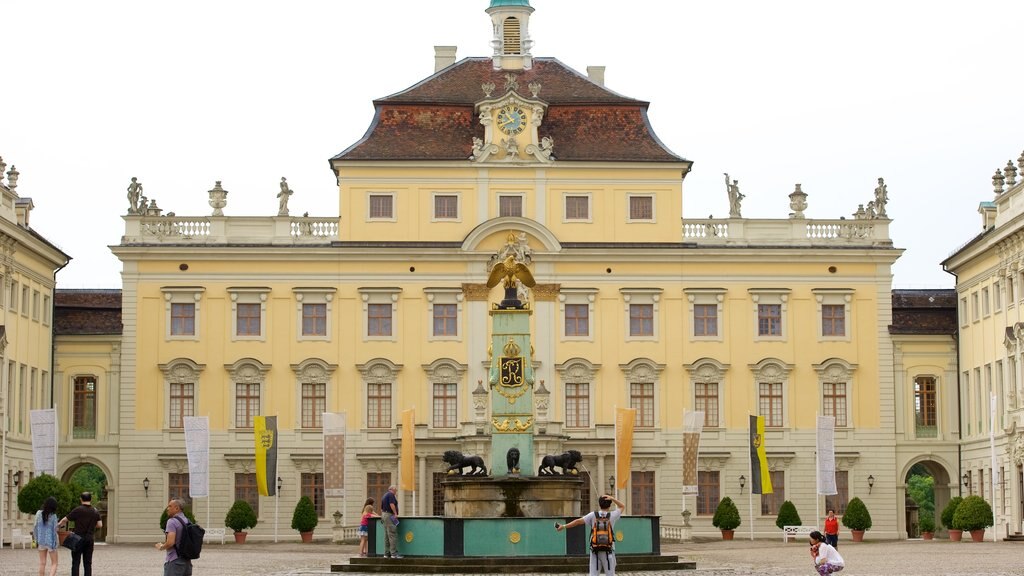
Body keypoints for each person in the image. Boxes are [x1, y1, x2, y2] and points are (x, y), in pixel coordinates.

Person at [555, 494, 624, 576]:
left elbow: (577, 521)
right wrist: (613, 498)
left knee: (593, 574)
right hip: (608, 550)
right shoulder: (612, 516)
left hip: (595, 550)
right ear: (610, 505)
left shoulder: (592, 515)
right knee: (610, 574)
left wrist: (563, 526)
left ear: (599, 504)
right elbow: (622, 506)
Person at [58, 492, 102, 576]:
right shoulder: (95, 511)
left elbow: (65, 519)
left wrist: (58, 525)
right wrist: (92, 526)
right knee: (88, 563)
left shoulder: (77, 510)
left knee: (76, 562)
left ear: (81, 499)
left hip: (77, 538)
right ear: (91, 499)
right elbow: (100, 525)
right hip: (89, 539)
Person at [155, 498, 192, 576]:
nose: (167, 509)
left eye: (169, 506)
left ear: (176, 508)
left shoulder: (172, 521)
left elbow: (170, 543)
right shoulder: (187, 521)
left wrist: (161, 546)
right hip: (187, 562)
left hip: (174, 561)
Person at [34, 496, 59, 576]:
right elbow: (54, 531)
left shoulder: (38, 513)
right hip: (51, 542)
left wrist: (36, 539)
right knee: (54, 563)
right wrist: (56, 543)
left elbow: (35, 527)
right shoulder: (54, 516)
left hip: (41, 541)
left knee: (42, 563)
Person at [380, 485, 402, 558]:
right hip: (389, 515)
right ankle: (394, 554)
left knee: (387, 535)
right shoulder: (391, 495)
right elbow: (392, 504)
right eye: (396, 490)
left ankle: (386, 553)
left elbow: (381, 508)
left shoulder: (385, 495)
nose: (396, 492)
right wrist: (395, 513)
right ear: (393, 489)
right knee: (392, 534)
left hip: (384, 515)